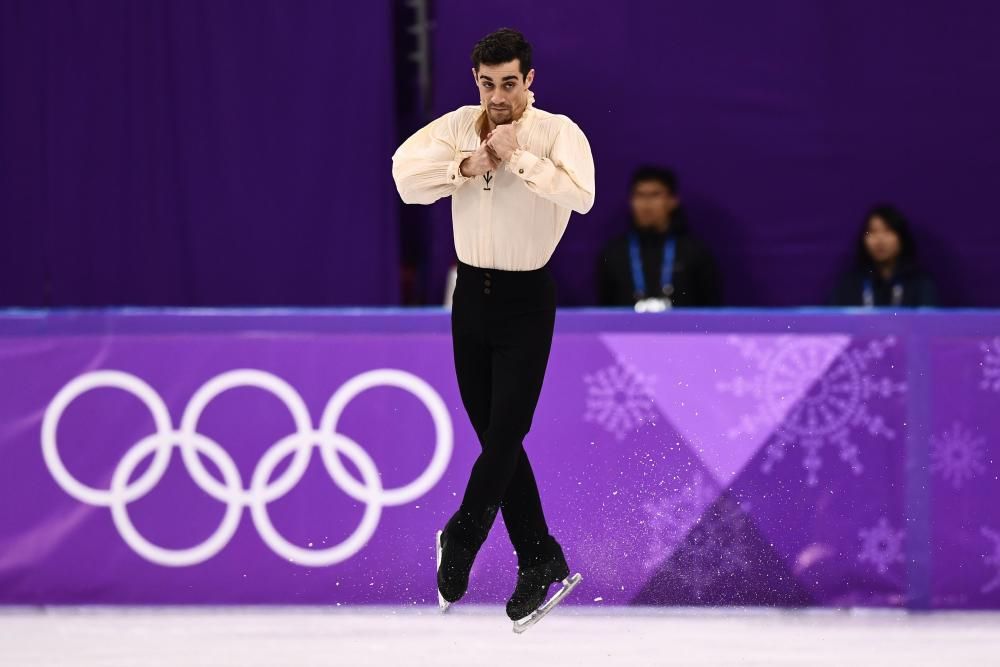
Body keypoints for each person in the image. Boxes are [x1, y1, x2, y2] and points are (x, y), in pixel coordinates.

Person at [391, 27, 594, 629]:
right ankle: (541, 559)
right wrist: (468, 162)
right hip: (469, 302)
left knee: (508, 430)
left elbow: (581, 195)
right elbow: (405, 177)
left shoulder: (558, 132)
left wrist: (519, 156)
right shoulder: (459, 125)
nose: (498, 95)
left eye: (509, 83)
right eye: (487, 84)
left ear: (529, 80)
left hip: (526, 299)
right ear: (475, 80)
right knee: (494, 438)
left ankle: (463, 534)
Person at [597, 166, 722, 310]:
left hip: (682, 331)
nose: (646, 204)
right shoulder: (614, 253)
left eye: (655, 195)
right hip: (628, 331)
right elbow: (605, 309)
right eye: (640, 195)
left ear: (673, 201)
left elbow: (710, 308)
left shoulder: (694, 252)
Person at [829, 204, 938, 307]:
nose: (880, 240)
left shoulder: (919, 284)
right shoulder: (850, 284)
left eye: (888, 231)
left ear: (902, 238)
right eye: (872, 231)